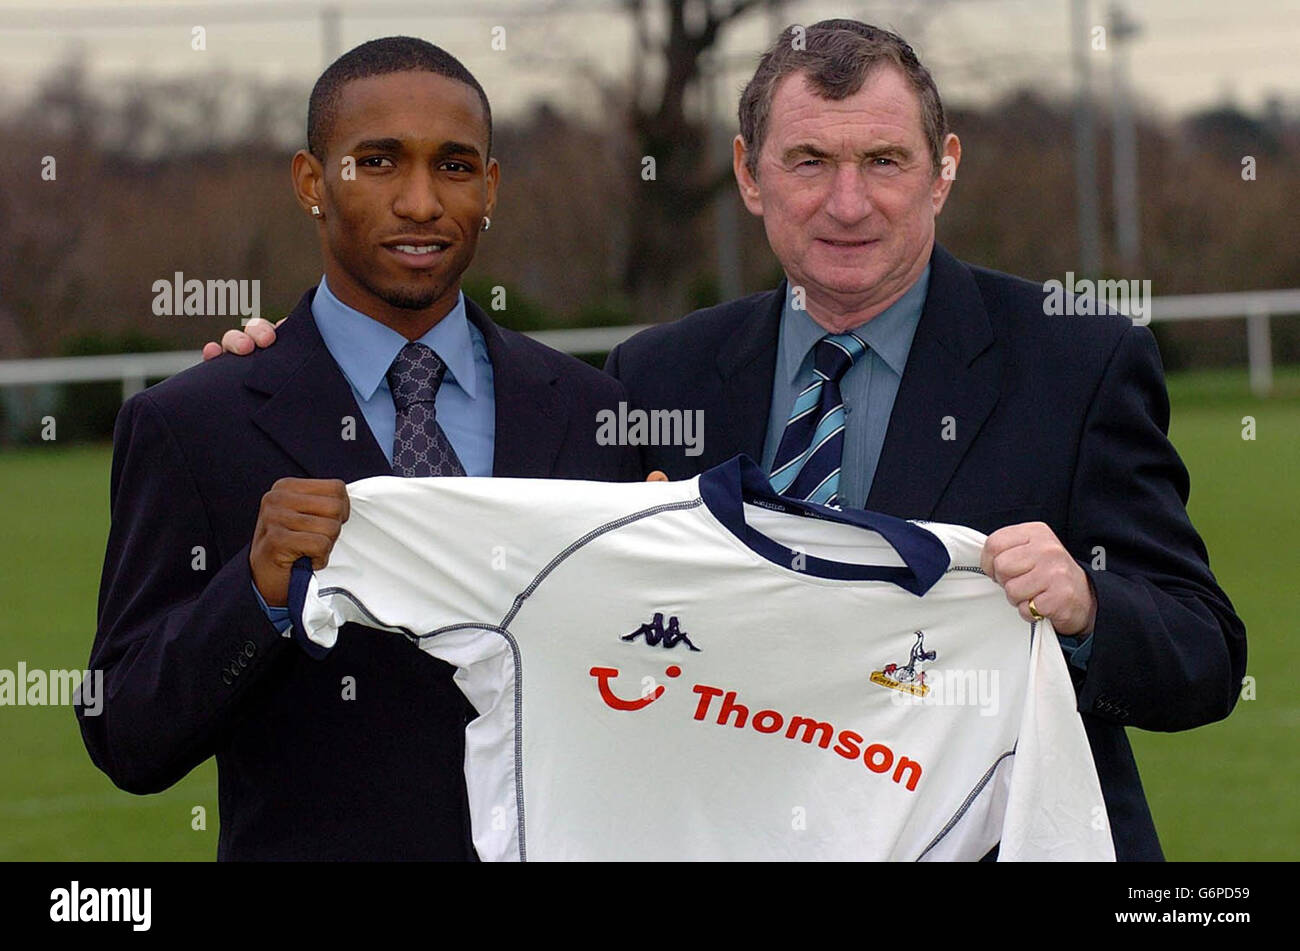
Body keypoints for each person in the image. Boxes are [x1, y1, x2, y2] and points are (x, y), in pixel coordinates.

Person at [212, 22, 1247, 861]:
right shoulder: (656, 375)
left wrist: (1083, 609)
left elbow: (1202, 657)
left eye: (883, 161)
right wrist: (286, 356)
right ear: (750, 174)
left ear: (943, 170)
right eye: (809, 161)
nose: (847, 203)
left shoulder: (1076, 361)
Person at [77, 36, 639, 860]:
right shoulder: (196, 423)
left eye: (453, 166)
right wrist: (257, 589)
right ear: (312, 182)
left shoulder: (593, 414)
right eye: (377, 163)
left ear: (489, 187)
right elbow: (126, 732)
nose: (420, 202)